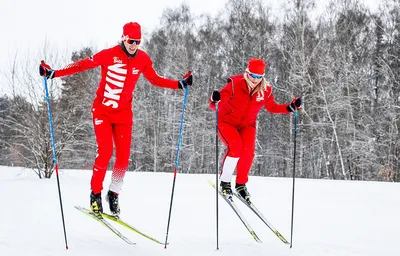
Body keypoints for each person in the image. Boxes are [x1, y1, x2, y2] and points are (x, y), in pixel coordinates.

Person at [39, 22, 193, 216]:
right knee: (105, 152)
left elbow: (155, 79)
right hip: (102, 112)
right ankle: (95, 194)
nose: (134, 45)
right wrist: (54, 73)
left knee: (122, 157)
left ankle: (113, 193)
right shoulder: (108, 54)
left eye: (137, 41)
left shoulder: (143, 59)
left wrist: (179, 84)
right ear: (123, 38)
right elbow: (82, 65)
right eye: (130, 41)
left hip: (123, 115)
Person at [209, 58, 301, 204]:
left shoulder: (265, 90)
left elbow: (272, 107)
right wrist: (215, 100)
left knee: (248, 152)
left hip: (247, 125)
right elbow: (216, 105)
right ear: (247, 72)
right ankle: (225, 182)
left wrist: (290, 107)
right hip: (226, 122)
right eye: (252, 75)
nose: (255, 80)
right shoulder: (235, 84)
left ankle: (240, 185)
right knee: (235, 147)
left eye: (259, 77)